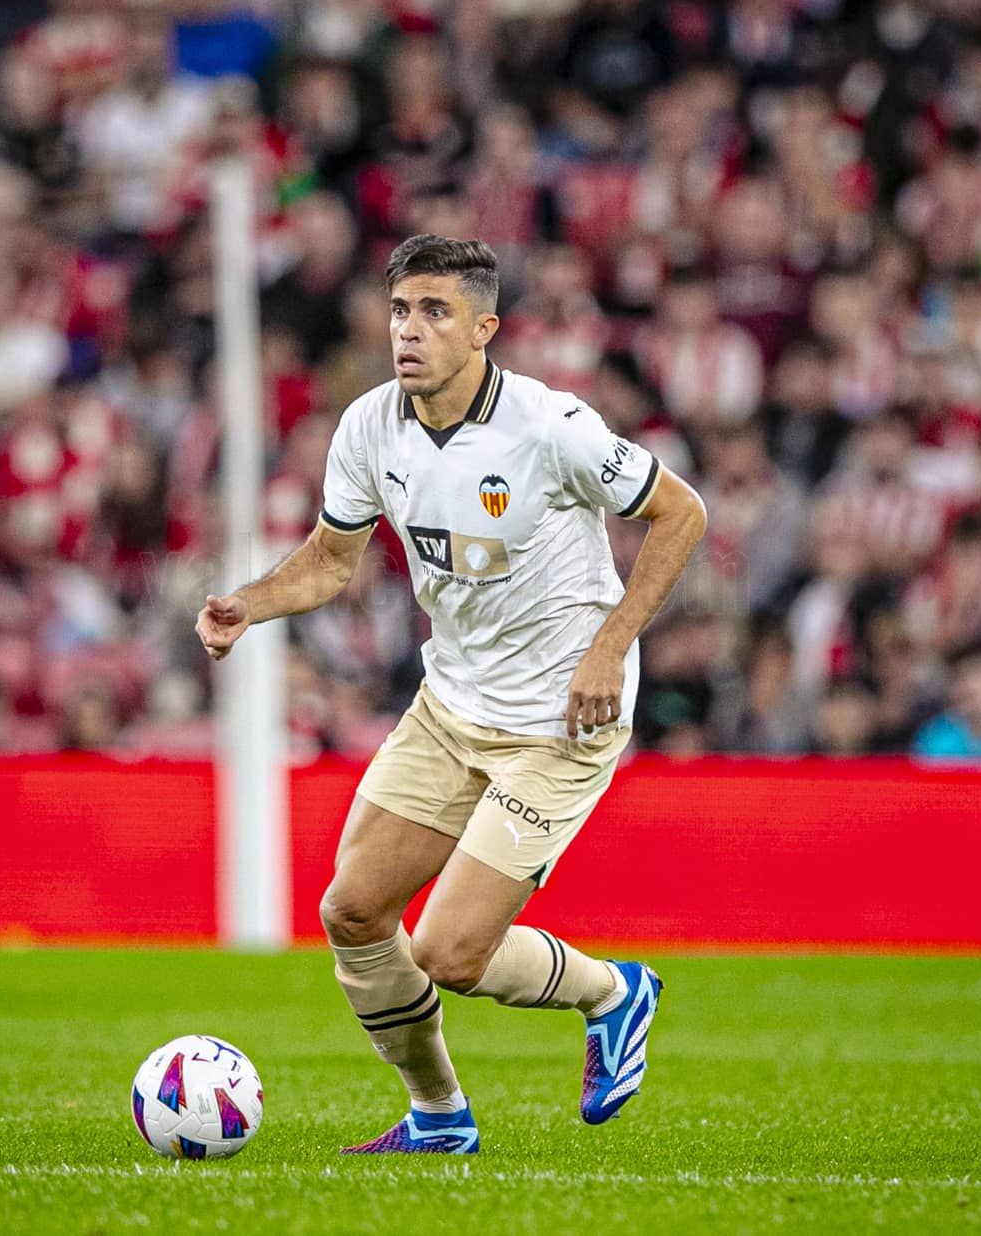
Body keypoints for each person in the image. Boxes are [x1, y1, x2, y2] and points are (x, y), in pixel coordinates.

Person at [196, 235, 706, 1153]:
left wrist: (610, 646)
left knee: (449, 954)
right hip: (449, 707)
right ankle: (438, 1116)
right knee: (352, 912)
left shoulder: (553, 427)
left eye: (434, 312)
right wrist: (249, 604)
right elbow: (329, 561)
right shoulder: (368, 428)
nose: (410, 330)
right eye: (400, 309)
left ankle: (614, 992)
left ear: (484, 329)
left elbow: (682, 512)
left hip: (560, 719)